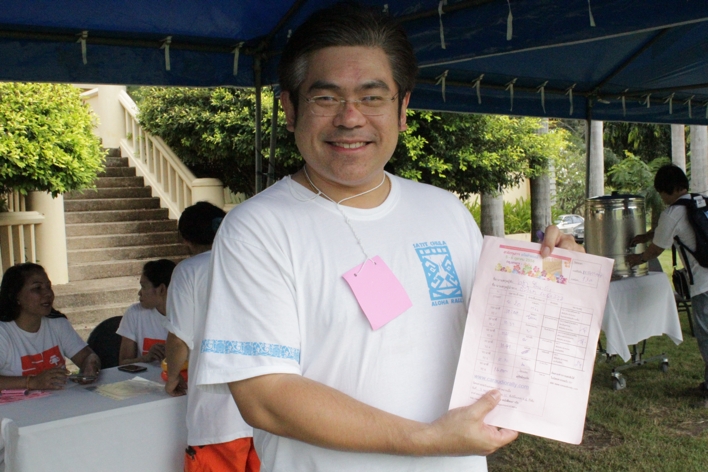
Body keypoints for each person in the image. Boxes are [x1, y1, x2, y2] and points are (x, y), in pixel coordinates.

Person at [196, 4, 582, 471]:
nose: (350, 118)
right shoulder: (257, 229)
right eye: (326, 98)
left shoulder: (445, 210)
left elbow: (497, 338)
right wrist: (427, 439)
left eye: (372, 97)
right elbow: (265, 396)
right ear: (290, 109)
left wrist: (556, 282)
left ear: (402, 110)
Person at [164, 202, 259, 472]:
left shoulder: (188, 270)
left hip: (216, 417)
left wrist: (172, 378)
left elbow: (179, 339)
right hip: (262, 413)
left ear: (185, 239)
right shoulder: (254, 265)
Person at [627, 164, 708, 402]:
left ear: (668, 189)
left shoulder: (672, 212)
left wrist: (638, 259)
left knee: (705, 335)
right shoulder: (700, 201)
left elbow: (656, 250)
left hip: (704, 284)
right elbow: (668, 231)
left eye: (661, 192)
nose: (661, 198)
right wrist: (646, 235)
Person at [0, 263, 100, 390]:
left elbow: (87, 356)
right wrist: (32, 382)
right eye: (37, 288)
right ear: (15, 296)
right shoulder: (3, 332)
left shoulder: (57, 323)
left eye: (48, 287)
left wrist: (90, 365)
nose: (47, 293)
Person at [117, 259, 175, 365]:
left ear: (161, 289)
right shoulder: (134, 313)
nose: (139, 293)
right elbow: (123, 363)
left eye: (143, 287)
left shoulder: (188, 316)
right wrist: (146, 358)